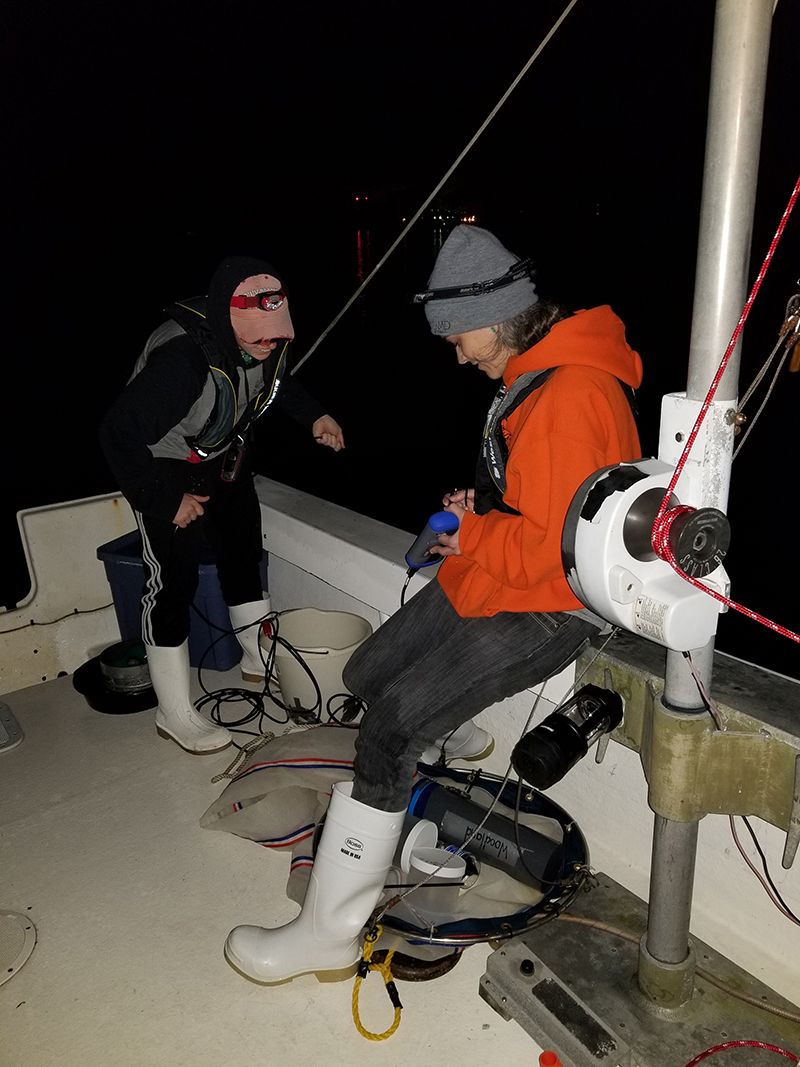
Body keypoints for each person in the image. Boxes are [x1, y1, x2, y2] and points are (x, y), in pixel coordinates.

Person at [224, 225, 642, 984]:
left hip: (549, 609)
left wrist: (475, 535)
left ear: (495, 315)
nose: (456, 354)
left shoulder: (570, 394)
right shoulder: (539, 373)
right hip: (501, 574)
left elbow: (557, 553)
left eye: (457, 339)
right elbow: (545, 506)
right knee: (366, 671)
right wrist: (478, 515)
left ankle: (329, 929)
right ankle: (412, 798)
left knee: (387, 726)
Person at [100, 255, 344, 755]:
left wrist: (315, 416)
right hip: (162, 464)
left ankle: (257, 659)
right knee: (173, 582)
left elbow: (277, 382)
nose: (268, 344)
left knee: (243, 557)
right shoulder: (182, 362)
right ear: (225, 319)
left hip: (223, 455)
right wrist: (166, 501)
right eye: (256, 335)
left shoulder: (268, 341)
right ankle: (173, 712)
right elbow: (118, 434)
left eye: (276, 334)